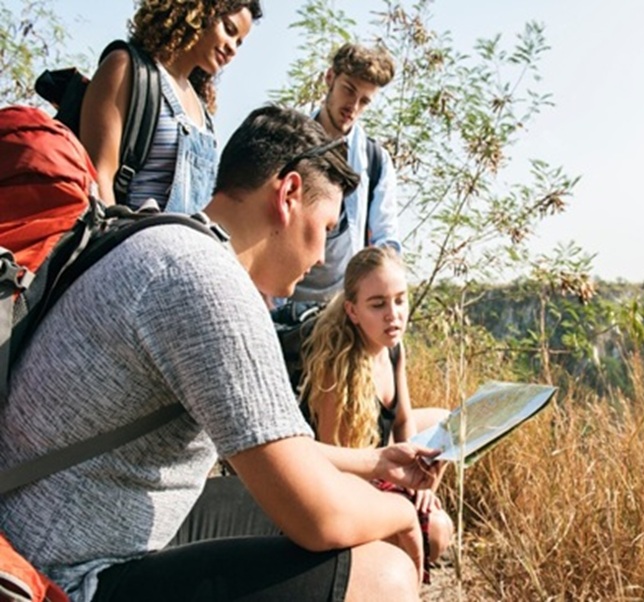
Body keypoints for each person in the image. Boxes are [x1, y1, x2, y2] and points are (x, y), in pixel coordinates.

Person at [0, 105, 439, 602]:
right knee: (382, 572)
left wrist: (377, 462)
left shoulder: (163, 237)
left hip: (53, 525)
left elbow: (275, 444)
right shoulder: (209, 284)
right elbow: (320, 517)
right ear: (289, 194)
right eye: (326, 226)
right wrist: (404, 514)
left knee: (354, 510)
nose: (321, 257)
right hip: (64, 573)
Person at [301, 246, 453, 568]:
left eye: (400, 299)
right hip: (347, 476)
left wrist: (420, 479)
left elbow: (403, 422)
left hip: (381, 461)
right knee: (437, 530)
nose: (393, 314)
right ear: (353, 311)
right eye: (378, 304)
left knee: (448, 423)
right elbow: (331, 466)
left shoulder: (393, 349)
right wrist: (395, 491)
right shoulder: (338, 367)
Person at [80, 0, 262, 212]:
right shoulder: (127, 68)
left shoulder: (204, 113)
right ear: (199, 13)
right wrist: (114, 240)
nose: (232, 49)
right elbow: (98, 174)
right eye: (229, 30)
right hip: (127, 239)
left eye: (239, 42)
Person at [289, 42, 401, 303]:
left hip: (343, 308)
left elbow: (387, 239)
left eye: (364, 101)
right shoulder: (289, 142)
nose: (353, 106)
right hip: (284, 302)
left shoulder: (375, 160)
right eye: (348, 90)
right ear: (330, 78)